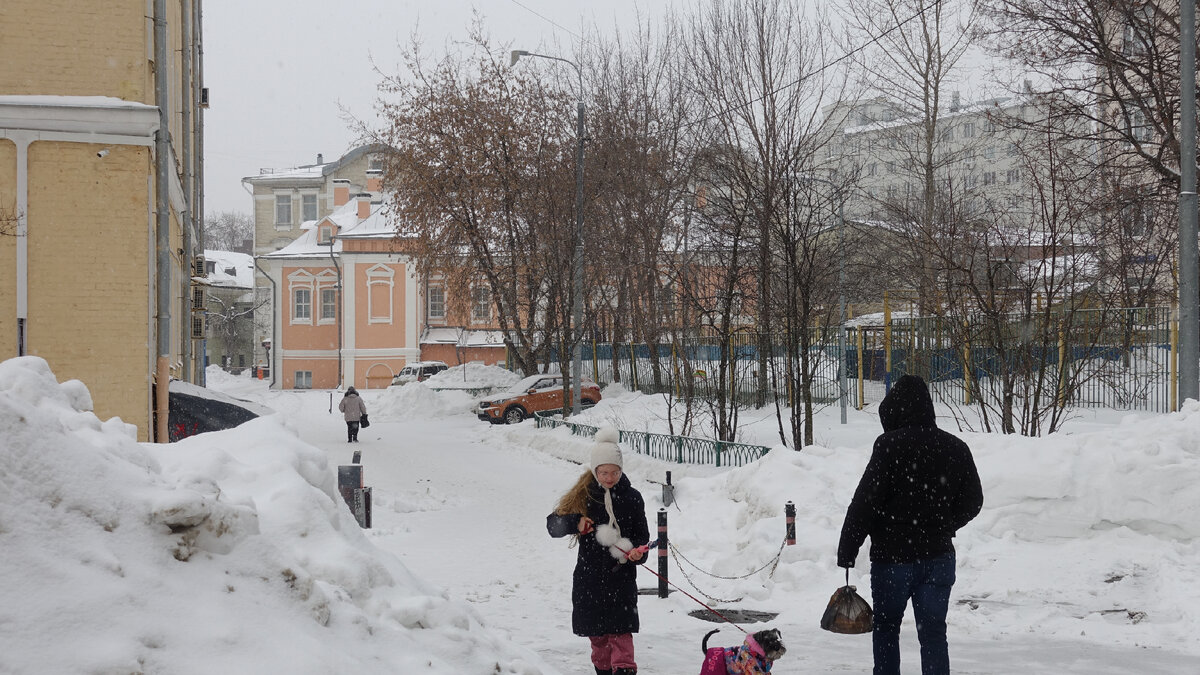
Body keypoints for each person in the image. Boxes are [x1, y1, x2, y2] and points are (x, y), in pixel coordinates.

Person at [837, 374, 984, 675]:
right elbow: (974, 501)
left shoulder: (889, 446)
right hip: (938, 559)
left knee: (887, 629)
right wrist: (945, 524)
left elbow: (865, 501)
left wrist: (848, 548)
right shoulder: (956, 447)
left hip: (892, 560)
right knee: (933, 634)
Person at [546, 427, 650, 675]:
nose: (609, 477)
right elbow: (553, 525)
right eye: (603, 472)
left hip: (620, 578)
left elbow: (642, 537)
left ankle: (624, 670)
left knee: (621, 634)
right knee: (599, 639)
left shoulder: (633, 498)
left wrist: (638, 553)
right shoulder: (583, 495)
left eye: (614, 472)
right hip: (589, 578)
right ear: (594, 471)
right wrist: (576, 523)